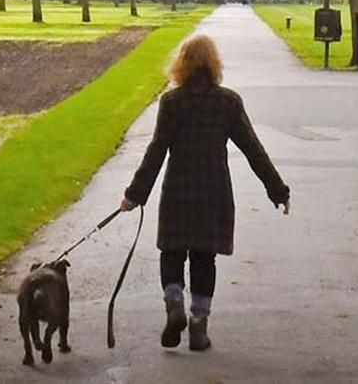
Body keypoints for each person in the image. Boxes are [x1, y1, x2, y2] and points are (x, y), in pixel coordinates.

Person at [120, 35, 290, 351]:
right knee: (204, 257)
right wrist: (277, 190)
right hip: (214, 192)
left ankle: (174, 304)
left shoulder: (172, 102)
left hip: (178, 191)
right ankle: (199, 324)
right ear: (214, 65)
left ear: (182, 65)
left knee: (172, 251)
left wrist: (135, 195)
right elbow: (254, 149)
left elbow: (156, 151)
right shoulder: (229, 102)